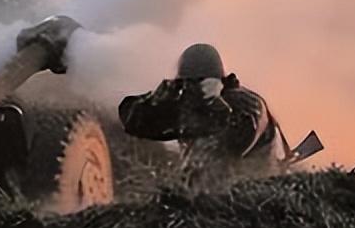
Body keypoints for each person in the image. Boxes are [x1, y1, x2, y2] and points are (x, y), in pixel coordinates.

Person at [118, 43, 285, 182]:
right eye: (187, 84)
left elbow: (234, 141)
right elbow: (135, 124)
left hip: (250, 196)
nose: (191, 89)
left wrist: (214, 102)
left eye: (196, 83)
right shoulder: (192, 106)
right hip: (203, 199)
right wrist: (156, 102)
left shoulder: (247, 103)